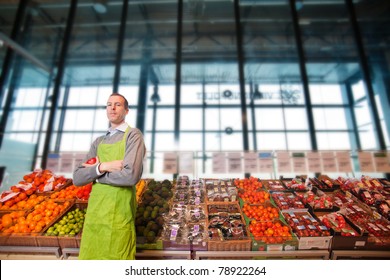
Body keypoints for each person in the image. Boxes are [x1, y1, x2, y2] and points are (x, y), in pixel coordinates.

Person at [73, 92, 146, 260]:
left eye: (118, 104)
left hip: (119, 211)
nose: (112, 107)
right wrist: (104, 166)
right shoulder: (98, 142)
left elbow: (130, 176)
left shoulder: (133, 136)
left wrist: (96, 176)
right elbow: (78, 178)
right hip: (96, 212)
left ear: (126, 110)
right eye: (109, 104)